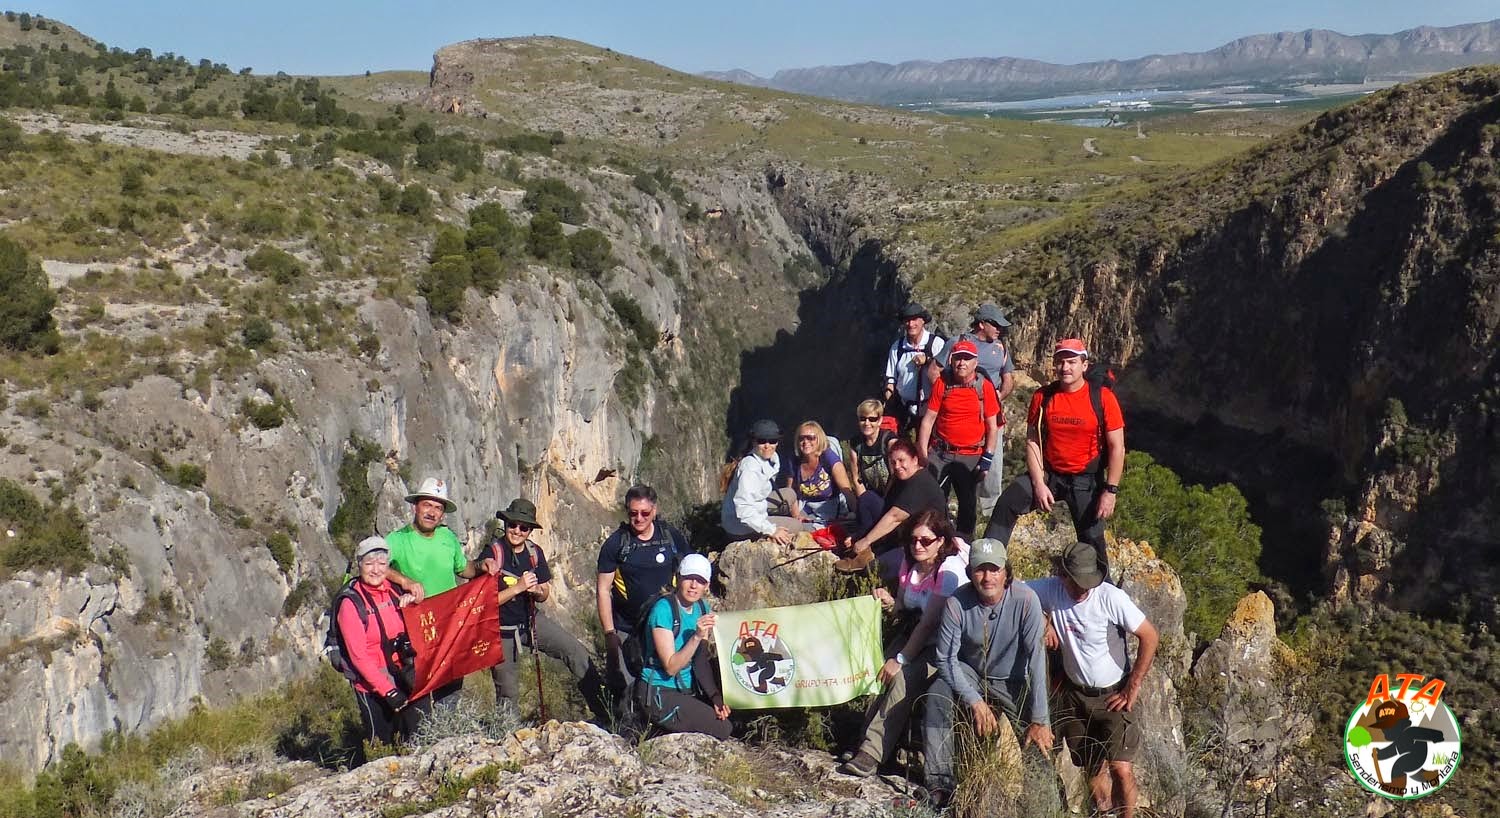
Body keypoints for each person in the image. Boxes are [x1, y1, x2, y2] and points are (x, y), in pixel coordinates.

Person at [1030, 542, 1159, 818]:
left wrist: (1132, 685)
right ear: (1063, 575)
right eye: (1076, 582)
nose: (1082, 589)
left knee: (1121, 769)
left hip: (1112, 694)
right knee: (1090, 763)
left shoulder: (1110, 598)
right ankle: (1104, 812)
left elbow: (1150, 635)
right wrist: (1044, 621)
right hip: (1075, 694)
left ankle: (1127, 815)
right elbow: (1015, 593)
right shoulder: (1052, 589)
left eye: (1087, 583)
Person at [922, 538, 1052, 809]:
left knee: (1035, 738)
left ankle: (1041, 803)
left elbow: (1038, 659)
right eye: (981, 569)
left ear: (1006, 571)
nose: (988, 577)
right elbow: (945, 659)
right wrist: (975, 700)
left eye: (994, 569)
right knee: (937, 693)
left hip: (1013, 681)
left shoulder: (1026, 600)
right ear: (971, 573)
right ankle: (939, 784)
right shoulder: (958, 602)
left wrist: (1040, 719)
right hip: (971, 673)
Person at [839, 510, 970, 777]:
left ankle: (872, 753)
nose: (917, 545)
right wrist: (889, 602)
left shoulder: (948, 572)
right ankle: (865, 741)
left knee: (900, 680)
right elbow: (904, 607)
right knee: (876, 672)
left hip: (943, 643)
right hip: (913, 633)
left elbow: (930, 623)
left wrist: (900, 660)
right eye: (913, 540)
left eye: (925, 540)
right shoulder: (910, 563)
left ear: (941, 541)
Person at [982, 338, 1124, 576]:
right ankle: (987, 564)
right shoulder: (1043, 397)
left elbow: (1117, 446)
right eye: (1060, 362)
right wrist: (1038, 484)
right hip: (1049, 473)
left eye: (1071, 362)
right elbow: (1033, 441)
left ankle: (1101, 591)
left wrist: (1110, 491)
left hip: (1085, 479)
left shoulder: (1102, 398)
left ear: (1084, 365)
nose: (1065, 368)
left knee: (1092, 540)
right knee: (1008, 502)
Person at [478, 498, 611, 723]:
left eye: (524, 527)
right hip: (501, 630)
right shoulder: (492, 554)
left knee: (575, 652)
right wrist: (518, 587)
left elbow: (545, 592)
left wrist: (537, 591)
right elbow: (484, 604)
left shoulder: (534, 553)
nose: (517, 531)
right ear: (506, 524)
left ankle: (605, 712)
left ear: (530, 530)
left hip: (530, 619)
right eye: (513, 525)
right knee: (508, 690)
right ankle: (508, 738)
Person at [384, 476, 495, 708]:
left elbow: (464, 569)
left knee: (450, 691)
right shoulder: (397, 539)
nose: (432, 512)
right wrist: (404, 581)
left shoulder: (447, 537)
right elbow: (374, 566)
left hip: (450, 625)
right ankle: (417, 739)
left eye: (438, 507)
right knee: (418, 693)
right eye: (427, 505)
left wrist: (482, 566)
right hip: (417, 628)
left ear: (443, 514)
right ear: (416, 506)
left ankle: (445, 738)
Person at [338, 536, 430, 759]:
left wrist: (412, 605)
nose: (376, 569)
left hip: (402, 674)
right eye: (369, 563)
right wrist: (387, 691)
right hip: (372, 686)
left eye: (382, 563)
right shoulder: (351, 604)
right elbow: (359, 657)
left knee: (415, 738)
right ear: (359, 565)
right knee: (381, 746)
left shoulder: (393, 590)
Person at [598, 484, 694, 691]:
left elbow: (690, 571)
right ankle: (625, 722)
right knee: (628, 687)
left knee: (668, 682)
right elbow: (603, 590)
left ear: (654, 510)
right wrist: (610, 634)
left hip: (667, 627)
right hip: (629, 629)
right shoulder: (616, 544)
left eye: (645, 513)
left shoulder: (669, 536)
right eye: (633, 513)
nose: (639, 518)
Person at [638, 553, 732, 739]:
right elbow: (671, 667)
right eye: (689, 578)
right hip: (659, 692)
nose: (694, 585)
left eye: (700, 581)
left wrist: (714, 697)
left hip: (686, 690)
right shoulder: (663, 610)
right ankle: (655, 729)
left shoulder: (702, 608)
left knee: (729, 718)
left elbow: (700, 660)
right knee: (722, 730)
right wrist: (696, 636)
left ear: (706, 585)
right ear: (678, 577)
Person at [916, 338, 1002, 538]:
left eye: (967, 359)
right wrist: (922, 452)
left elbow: (992, 426)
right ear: (951, 360)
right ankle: (934, 539)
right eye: (957, 358)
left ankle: (964, 545)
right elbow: (928, 420)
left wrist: (987, 459)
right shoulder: (942, 384)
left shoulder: (984, 387)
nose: (961, 363)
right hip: (941, 452)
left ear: (975, 362)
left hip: (970, 456)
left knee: (967, 505)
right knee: (933, 499)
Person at [837, 438, 949, 573]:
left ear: (914, 460)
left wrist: (866, 540)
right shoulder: (900, 479)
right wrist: (859, 536)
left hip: (924, 536)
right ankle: (865, 551)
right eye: (893, 462)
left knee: (876, 570)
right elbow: (886, 508)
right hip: (905, 529)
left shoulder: (920, 482)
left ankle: (869, 554)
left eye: (902, 461)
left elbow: (895, 516)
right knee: (868, 499)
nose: (896, 466)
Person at [722, 419, 804, 546]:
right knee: (797, 527)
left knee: (789, 493)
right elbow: (744, 510)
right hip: (739, 527)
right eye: (762, 441)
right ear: (754, 441)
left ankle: (797, 516)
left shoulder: (772, 458)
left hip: (758, 506)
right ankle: (764, 539)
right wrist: (772, 530)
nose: (767, 445)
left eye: (772, 441)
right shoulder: (750, 469)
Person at [882, 302, 946, 432]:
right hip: (903, 409)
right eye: (907, 320)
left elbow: (946, 373)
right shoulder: (897, 347)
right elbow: (890, 379)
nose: (911, 324)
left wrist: (928, 360)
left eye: (915, 319)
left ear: (923, 320)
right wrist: (888, 406)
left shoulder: (936, 344)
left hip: (931, 409)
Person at [783, 420, 856, 526]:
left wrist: (858, 515)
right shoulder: (794, 460)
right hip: (804, 505)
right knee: (792, 527)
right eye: (801, 438)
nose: (805, 441)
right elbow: (790, 492)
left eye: (810, 437)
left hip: (829, 506)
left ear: (819, 439)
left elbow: (847, 492)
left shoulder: (828, 458)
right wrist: (796, 516)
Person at [846, 398, 897, 501]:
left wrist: (885, 501)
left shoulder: (889, 441)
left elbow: (895, 477)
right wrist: (866, 501)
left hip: (893, 495)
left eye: (872, 419)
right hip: (870, 495)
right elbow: (856, 479)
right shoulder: (855, 444)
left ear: (880, 420)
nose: (867, 423)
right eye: (863, 419)